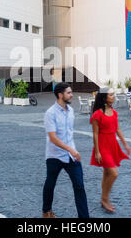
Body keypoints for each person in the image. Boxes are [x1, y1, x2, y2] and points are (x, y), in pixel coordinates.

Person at [42, 82, 89, 218]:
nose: (72, 95)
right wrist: (70, 149)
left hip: (71, 155)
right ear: (60, 95)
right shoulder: (50, 113)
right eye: (69, 93)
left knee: (79, 186)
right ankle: (46, 211)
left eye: (71, 92)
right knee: (50, 184)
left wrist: (72, 150)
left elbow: (68, 134)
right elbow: (53, 137)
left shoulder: (71, 111)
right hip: (54, 155)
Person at [90, 87, 131, 213]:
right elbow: (95, 134)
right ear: (104, 98)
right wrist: (97, 152)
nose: (114, 96)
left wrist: (124, 144)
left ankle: (104, 198)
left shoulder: (114, 112)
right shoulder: (97, 114)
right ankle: (105, 198)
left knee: (107, 173)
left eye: (113, 94)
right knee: (114, 173)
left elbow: (117, 129)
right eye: (111, 95)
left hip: (112, 144)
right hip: (102, 146)